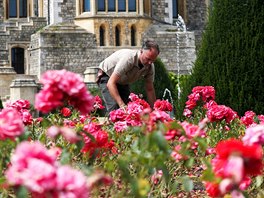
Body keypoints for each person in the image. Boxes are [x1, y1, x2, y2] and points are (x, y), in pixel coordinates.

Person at [96, 39, 160, 114]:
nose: (149, 63)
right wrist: (121, 105)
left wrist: (155, 112)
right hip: (107, 76)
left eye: (153, 60)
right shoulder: (129, 59)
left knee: (129, 111)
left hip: (123, 81)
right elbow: (111, 83)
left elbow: (150, 89)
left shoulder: (150, 67)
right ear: (141, 51)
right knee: (115, 109)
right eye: (148, 58)